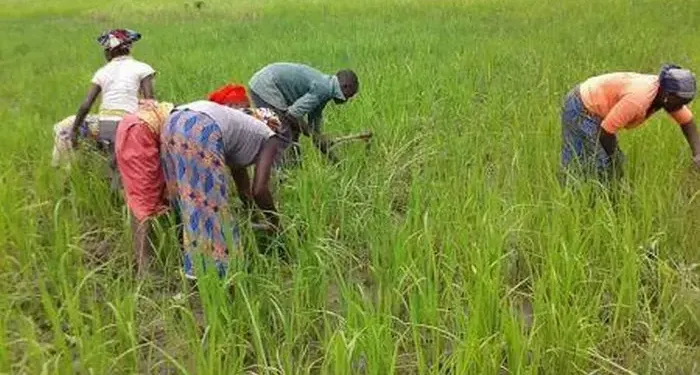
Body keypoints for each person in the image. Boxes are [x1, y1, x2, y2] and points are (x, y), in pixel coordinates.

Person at [160, 95, 282, 280]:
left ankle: (186, 259)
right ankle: (219, 275)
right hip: (202, 127)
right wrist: (277, 226)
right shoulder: (269, 137)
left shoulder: (241, 131)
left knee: (183, 197)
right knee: (212, 205)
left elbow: (244, 190)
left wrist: (253, 215)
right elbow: (259, 190)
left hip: (173, 121)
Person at [560, 64, 698, 183]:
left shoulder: (667, 97)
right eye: (681, 102)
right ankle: (577, 195)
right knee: (598, 164)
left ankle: (597, 195)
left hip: (596, 107)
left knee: (597, 162)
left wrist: (698, 155)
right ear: (667, 96)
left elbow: (688, 123)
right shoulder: (638, 100)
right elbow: (606, 132)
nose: (682, 107)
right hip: (582, 106)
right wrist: (616, 163)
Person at [66, 29, 156, 188]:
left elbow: (86, 104)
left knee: (114, 161)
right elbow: (150, 101)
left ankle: (112, 198)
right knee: (128, 167)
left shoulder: (102, 72)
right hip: (128, 124)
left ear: (109, 52)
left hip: (105, 124)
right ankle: (125, 201)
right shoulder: (142, 68)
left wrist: (74, 130)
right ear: (129, 48)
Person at [248, 62, 359, 166]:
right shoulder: (324, 88)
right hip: (265, 86)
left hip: (266, 82)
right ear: (345, 87)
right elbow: (292, 115)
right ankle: (281, 175)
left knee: (294, 131)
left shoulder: (326, 88)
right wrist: (316, 137)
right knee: (283, 133)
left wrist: (335, 160)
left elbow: (314, 126)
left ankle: (294, 168)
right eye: (350, 95)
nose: (347, 99)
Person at [114, 99, 174, 277]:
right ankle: (144, 267)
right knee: (144, 198)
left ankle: (144, 258)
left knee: (140, 196)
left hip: (133, 125)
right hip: (140, 131)